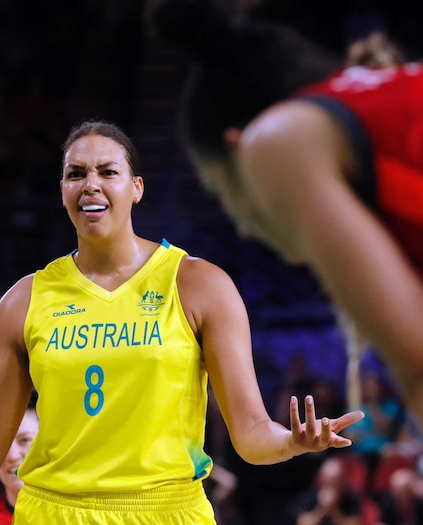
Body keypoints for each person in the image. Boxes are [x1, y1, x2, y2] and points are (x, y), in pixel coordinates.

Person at [0, 120, 363, 525]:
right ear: (62, 190)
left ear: (136, 187)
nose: (91, 184)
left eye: (107, 171)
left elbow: (253, 435)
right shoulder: (24, 301)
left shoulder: (198, 284)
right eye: (75, 174)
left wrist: (292, 441)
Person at [147, 0, 423, 422]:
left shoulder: (276, 140)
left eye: (221, 194)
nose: (241, 230)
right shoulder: (381, 112)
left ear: (239, 144)